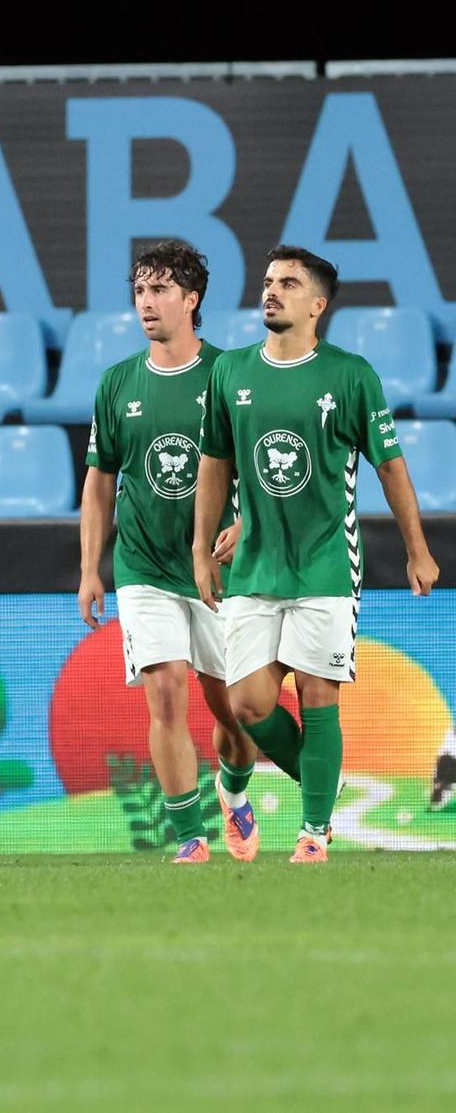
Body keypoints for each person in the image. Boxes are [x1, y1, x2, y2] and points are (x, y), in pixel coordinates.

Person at [194, 245, 440, 863]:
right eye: (269, 281)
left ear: (317, 304)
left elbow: (390, 465)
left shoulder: (350, 375)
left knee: (318, 695)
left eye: (288, 284)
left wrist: (418, 549)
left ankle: (313, 833)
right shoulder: (231, 372)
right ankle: (310, 793)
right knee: (248, 703)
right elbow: (216, 463)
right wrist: (202, 546)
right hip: (255, 567)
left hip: (328, 562)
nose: (271, 291)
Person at [79, 240, 261, 863]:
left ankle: (234, 792)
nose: (146, 303)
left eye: (160, 291)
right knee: (164, 690)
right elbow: (100, 482)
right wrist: (89, 570)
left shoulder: (230, 375)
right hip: (143, 566)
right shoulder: (117, 384)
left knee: (234, 714)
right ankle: (191, 836)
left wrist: (247, 526)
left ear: (192, 299)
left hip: (216, 569)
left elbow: (263, 467)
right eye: (139, 291)